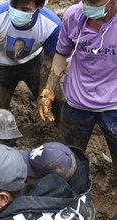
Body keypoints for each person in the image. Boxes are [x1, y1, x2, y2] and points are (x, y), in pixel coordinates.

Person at [39, 0, 117, 175]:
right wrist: (49, 89)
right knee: (66, 159)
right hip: (77, 102)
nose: (89, 6)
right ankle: (67, 192)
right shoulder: (73, 16)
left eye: (95, 2)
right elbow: (62, 53)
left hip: (114, 106)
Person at [0, 0, 61, 110]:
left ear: (40, 6)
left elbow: (49, 59)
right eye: (13, 6)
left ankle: (60, 126)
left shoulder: (51, 25)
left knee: (54, 100)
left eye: (25, 9)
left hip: (33, 61)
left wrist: (43, 90)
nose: (16, 12)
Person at [21, 142, 98, 220]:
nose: (25, 175)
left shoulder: (70, 218)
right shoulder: (74, 182)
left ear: (48, 183)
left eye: (30, 173)